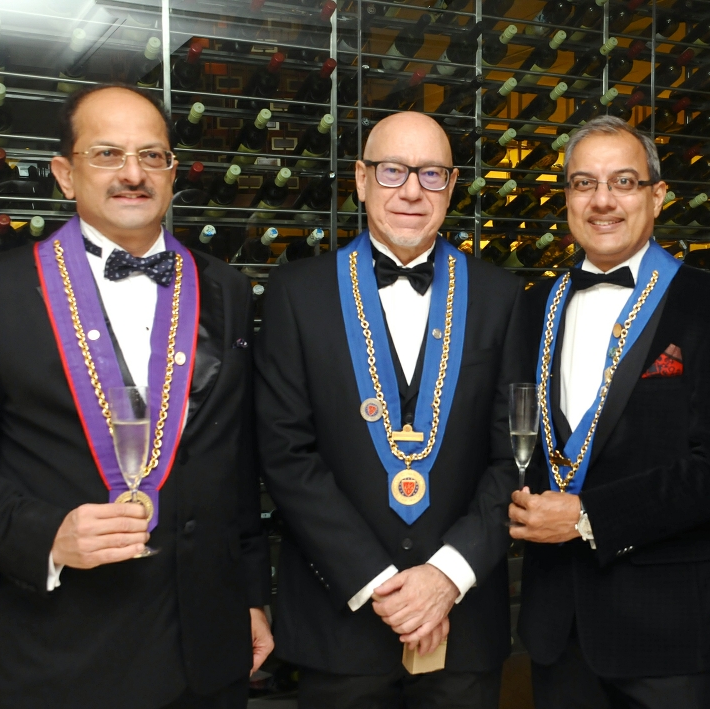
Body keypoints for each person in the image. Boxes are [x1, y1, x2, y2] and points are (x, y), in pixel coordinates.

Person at [0, 84, 271, 708]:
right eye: (106, 154)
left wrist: (253, 595)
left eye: (152, 156)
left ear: (172, 173)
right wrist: (47, 534)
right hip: (65, 655)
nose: (133, 174)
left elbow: (235, 459)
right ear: (65, 174)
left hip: (209, 649)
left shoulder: (226, 288)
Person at [254, 111, 528, 708]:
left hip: (462, 622)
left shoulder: (502, 297)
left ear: (451, 186)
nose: (411, 191)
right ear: (360, 179)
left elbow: (515, 456)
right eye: (392, 171)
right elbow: (284, 453)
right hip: (340, 625)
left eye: (431, 174)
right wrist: (379, 583)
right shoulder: (295, 294)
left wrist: (446, 574)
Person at [509, 115, 710, 709]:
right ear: (567, 197)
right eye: (584, 183)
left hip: (669, 632)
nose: (603, 201)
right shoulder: (531, 306)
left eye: (623, 182)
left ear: (657, 195)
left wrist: (587, 516)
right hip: (557, 626)